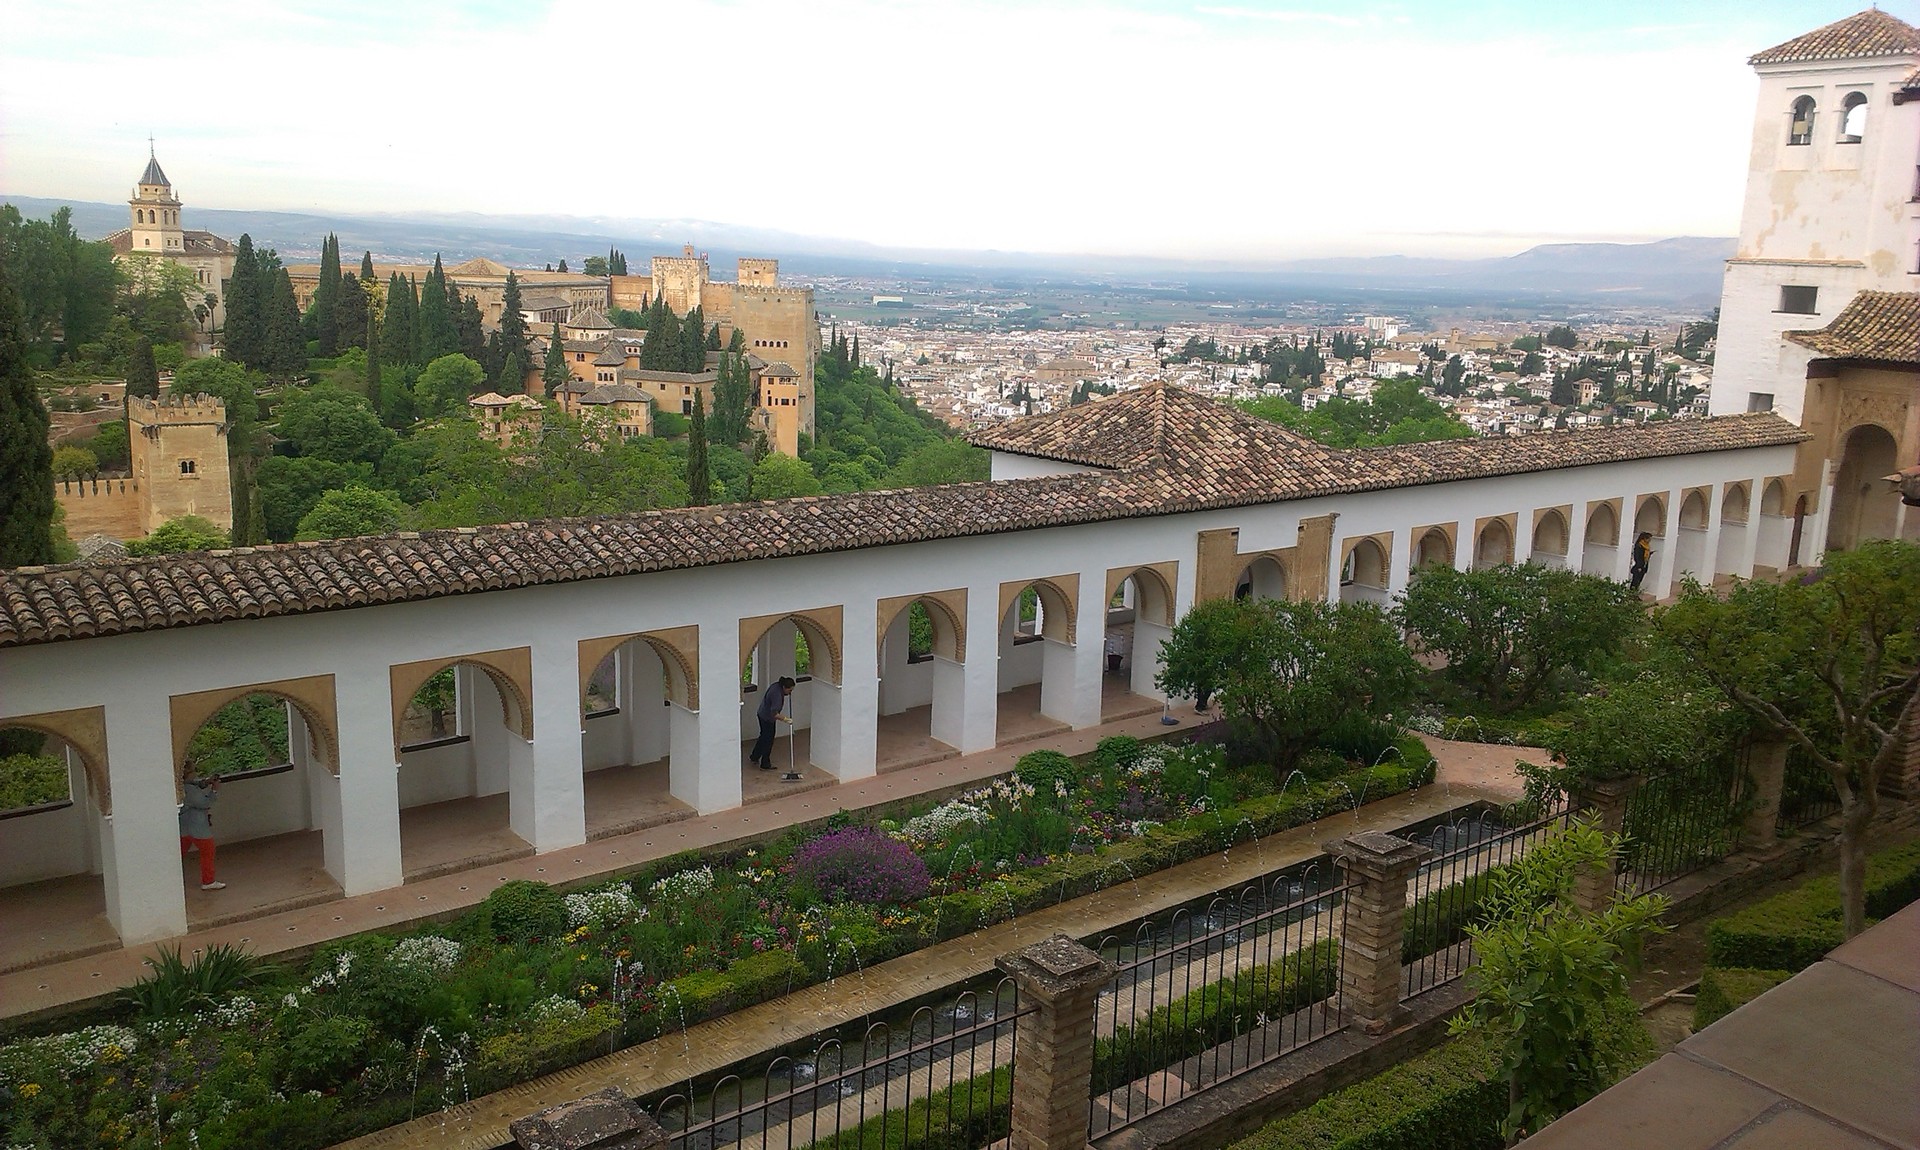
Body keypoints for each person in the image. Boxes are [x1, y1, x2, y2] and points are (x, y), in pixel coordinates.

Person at [178, 771, 225, 890]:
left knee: (179, 853)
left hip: (184, 826)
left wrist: (206, 782)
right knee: (208, 850)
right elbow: (204, 803)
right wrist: (214, 790)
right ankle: (208, 881)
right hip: (197, 827)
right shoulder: (190, 790)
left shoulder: (181, 785)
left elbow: (195, 784)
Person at [750, 676, 796, 771]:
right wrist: (786, 719)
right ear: (784, 687)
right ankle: (765, 763)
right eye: (790, 690)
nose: (790, 693)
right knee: (768, 740)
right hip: (767, 718)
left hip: (762, 714)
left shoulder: (776, 686)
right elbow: (774, 713)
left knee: (763, 737)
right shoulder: (777, 695)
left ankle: (754, 756)